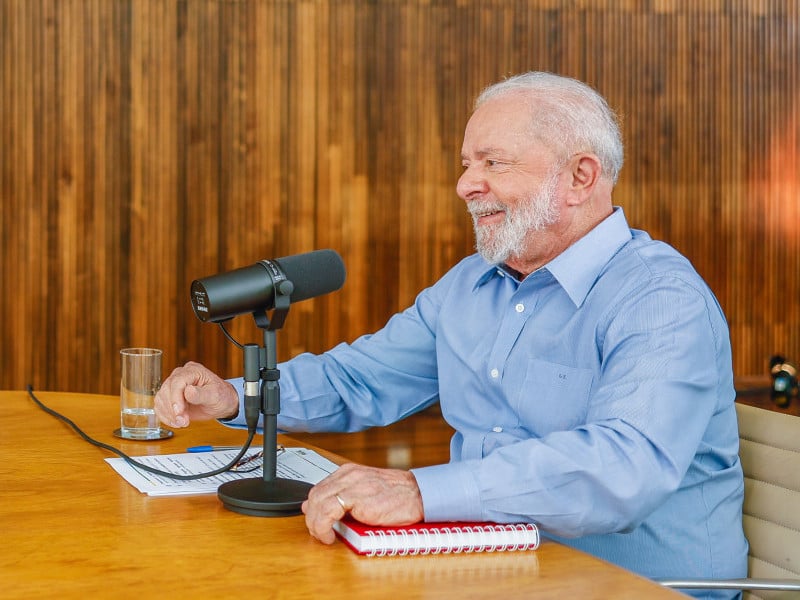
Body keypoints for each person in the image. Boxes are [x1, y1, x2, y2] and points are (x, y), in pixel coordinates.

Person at [155, 71, 747, 597]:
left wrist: (421, 491)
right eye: (466, 164)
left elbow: (624, 466)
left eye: (493, 163)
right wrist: (237, 397)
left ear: (580, 177)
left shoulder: (659, 299)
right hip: (495, 568)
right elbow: (360, 379)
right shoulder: (472, 284)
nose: (466, 185)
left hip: (641, 587)